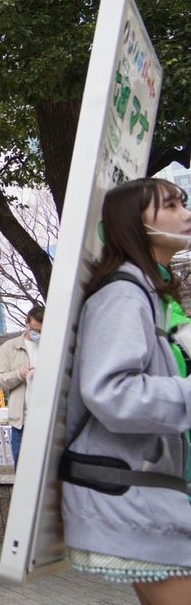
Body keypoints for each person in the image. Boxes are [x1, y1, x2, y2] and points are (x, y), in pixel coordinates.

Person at [61, 178, 191, 603]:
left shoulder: (149, 293)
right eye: (171, 206)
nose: (185, 214)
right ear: (135, 224)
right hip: (133, 496)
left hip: (149, 493)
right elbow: (111, 392)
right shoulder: (123, 295)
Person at [0, 305, 43, 463]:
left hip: (51, 420)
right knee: (23, 472)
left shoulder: (54, 345)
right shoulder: (10, 347)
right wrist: (19, 374)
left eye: (43, 331)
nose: (39, 334)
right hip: (22, 423)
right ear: (26, 323)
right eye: (36, 330)